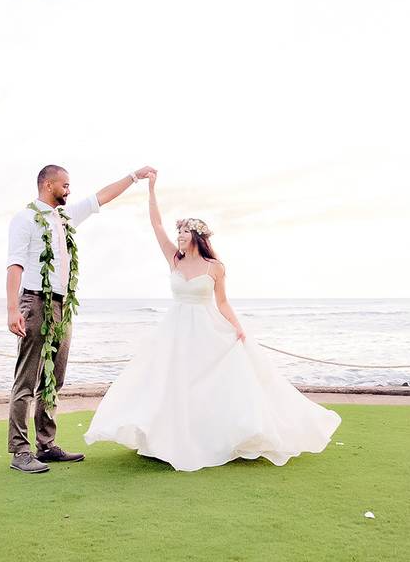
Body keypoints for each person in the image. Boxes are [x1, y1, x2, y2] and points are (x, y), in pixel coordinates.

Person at [84, 171, 342, 471]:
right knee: (170, 382)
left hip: (206, 329)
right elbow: (155, 224)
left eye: (183, 234)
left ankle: (212, 437)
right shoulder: (174, 259)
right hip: (175, 331)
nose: (178, 237)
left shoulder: (215, 267)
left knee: (206, 384)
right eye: (177, 233)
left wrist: (237, 327)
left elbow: (222, 302)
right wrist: (152, 188)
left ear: (196, 237)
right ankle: (165, 439)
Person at [6, 163, 155, 473]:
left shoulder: (65, 217)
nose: (69, 190)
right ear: (48, 185)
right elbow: (15, 265)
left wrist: (132, 177)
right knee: (28, 378)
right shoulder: (25, 219)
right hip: (35, 301)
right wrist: (12, 310)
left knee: (54, 379)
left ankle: (46, 445)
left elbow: (101, 197)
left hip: (62, 304)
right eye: (65, 185)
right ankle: (20, 451)